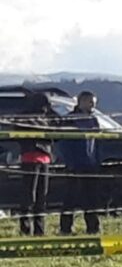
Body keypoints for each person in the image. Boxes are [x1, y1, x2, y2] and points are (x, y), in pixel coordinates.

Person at [58, 91, 103, 235]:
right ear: (81, 102)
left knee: (91, 198)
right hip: (75, 165)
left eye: (94, 103)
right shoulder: (70, 120)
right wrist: (70, 163)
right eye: (90, 103)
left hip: (91, 165)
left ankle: (93, 227)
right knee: (70, 198)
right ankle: (65, 228)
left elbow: (97, 143)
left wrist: (97, 161)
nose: (93, 106)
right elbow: (64, 144)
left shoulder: (94, 120)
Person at [17, 92, 56, 236]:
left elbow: (56, 131)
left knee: (41, 197)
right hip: (30, 159)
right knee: (29, 196)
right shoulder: (25, 117)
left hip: (44, 158)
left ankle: (39, 230)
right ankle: (26, 229)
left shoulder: (47, 117)